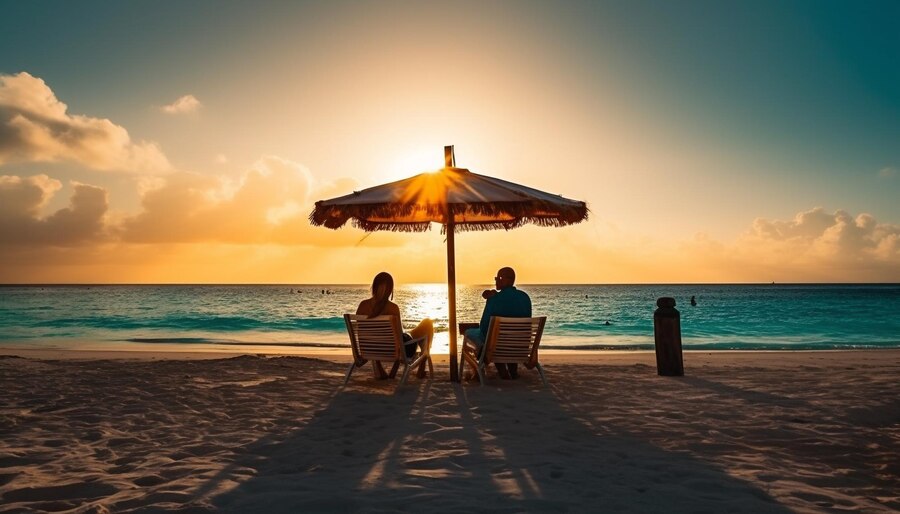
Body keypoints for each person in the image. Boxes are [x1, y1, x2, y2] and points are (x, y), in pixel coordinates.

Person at [356, 272, 433, 379]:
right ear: (390, 290)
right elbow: (399, 338)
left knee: (408, 333)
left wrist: (368, 352)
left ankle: (378, 366)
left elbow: (362, 334)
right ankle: (423, 360)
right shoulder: (392, 308)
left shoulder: (362, 306)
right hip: (399, 350)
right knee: (427, 323)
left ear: (374, 286)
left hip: (371, 350)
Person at [465, 267, 532, 379]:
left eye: (497, 278)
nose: (495, 281)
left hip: (497, 349)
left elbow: (484, 327)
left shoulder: (494, 299)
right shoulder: (525, 298)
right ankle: (512, 371)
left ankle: (485, 371)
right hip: (518, 348)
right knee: (504, 338)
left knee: (470, 333)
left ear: (503, 279)